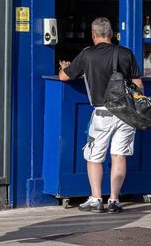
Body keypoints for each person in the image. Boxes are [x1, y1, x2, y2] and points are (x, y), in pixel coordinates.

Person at [58, 17, 142, 213]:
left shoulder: (87, 55)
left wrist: (63, 67)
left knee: (94, 156)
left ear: (93, 35)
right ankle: (114, 200)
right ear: (111, 34)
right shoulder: (126, 53)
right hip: (126, 113)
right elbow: (138, 85)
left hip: (102, 114)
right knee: (119, 156)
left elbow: (64, 77)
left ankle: (96, 199)